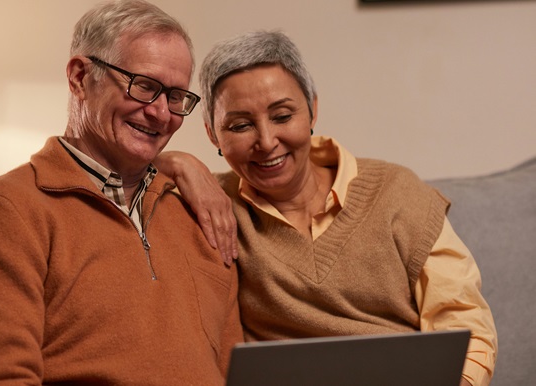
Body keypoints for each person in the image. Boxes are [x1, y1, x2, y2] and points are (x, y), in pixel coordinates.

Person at [159, 30, 497, 386]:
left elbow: (465, 327)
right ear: (213, 134)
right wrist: (177, 163)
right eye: (241, 126)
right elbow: (116, 175)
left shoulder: (398, 192)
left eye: (282, 116)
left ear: (313, 109)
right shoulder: (212, 206)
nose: (267, 141)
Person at [0, 1, 243, 385]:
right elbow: (1, 377)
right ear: (80, 78)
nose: (162, 114)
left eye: (176, 96)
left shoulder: (201, 212)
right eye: (145, 86)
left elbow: (239, 372)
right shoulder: (10, 208)